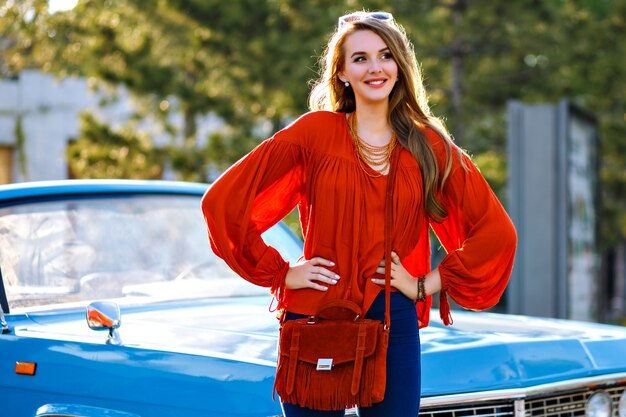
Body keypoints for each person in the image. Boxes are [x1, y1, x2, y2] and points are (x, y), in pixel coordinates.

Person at [201, 10, 517, 417]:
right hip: (316, 317)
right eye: (360, 58)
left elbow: (497, 233)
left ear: (400, 68)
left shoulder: (428, 147)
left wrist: (425, 284)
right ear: (343, 73)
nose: (375, 68)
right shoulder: (313, 134)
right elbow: (222, 203)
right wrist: (280, 274)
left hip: (392, 317)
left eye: (385, 56)